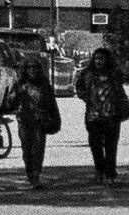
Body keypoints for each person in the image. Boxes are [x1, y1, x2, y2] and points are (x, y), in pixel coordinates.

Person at [73, 44, 128, 184]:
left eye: (102, 59)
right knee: (95, 145)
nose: (98, 61)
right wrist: (86, 97)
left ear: (107, 60)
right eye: (96, 58)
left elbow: (119, 91)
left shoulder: (114, 74)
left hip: (111, 115)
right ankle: (99, 170)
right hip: (93, 116)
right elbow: (79, 87)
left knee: (111, 146)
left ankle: (110, 174)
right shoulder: (87, 73)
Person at [12, 55, 62, 189]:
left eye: (35, 67)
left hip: (40, 122)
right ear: (26, 70)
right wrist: (18, 93)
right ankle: (30, 174)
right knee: (27, 150)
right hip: (24, 121)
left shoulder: (44, 85)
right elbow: (10, 102)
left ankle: (36, 176)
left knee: (38, 150)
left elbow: (52, 104)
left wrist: (55, 120)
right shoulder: (20, 85)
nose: (33, 70)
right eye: (30, 67)